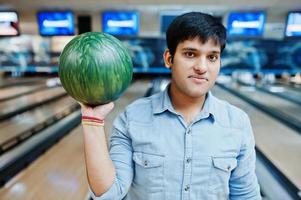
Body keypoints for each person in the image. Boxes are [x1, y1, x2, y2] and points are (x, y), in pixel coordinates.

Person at [80, 12, 261, 200]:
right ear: (169, 58)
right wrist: (92, 119)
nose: (202, 67)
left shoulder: (237, 123)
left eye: (212, 57)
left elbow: (246, 196)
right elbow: (109, 193)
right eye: (190, 54)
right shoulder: (132, 118)